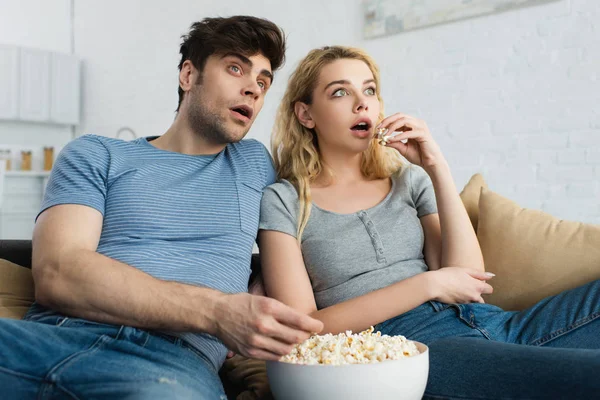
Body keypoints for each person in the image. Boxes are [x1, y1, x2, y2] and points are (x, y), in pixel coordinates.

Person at [0, 16, 323, 399]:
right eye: (236, 67)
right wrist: (219, 311)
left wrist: (259, 287)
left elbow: (321, 218)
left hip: (171, 364)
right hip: (48, 339)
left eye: (263, 82)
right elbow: (59, 272)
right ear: (189, 75)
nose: (253, 89)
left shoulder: (254, 163)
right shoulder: (96, 153)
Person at [258, 45, 600, 399]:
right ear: (305, 114)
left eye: (370, 90)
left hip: (492, 324)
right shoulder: (284, 201)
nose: (362, 103)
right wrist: (427, 285)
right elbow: (305, 329)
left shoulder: (409, 181)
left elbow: (469, 279)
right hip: (414, 349)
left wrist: (436, 167)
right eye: (341, 92)